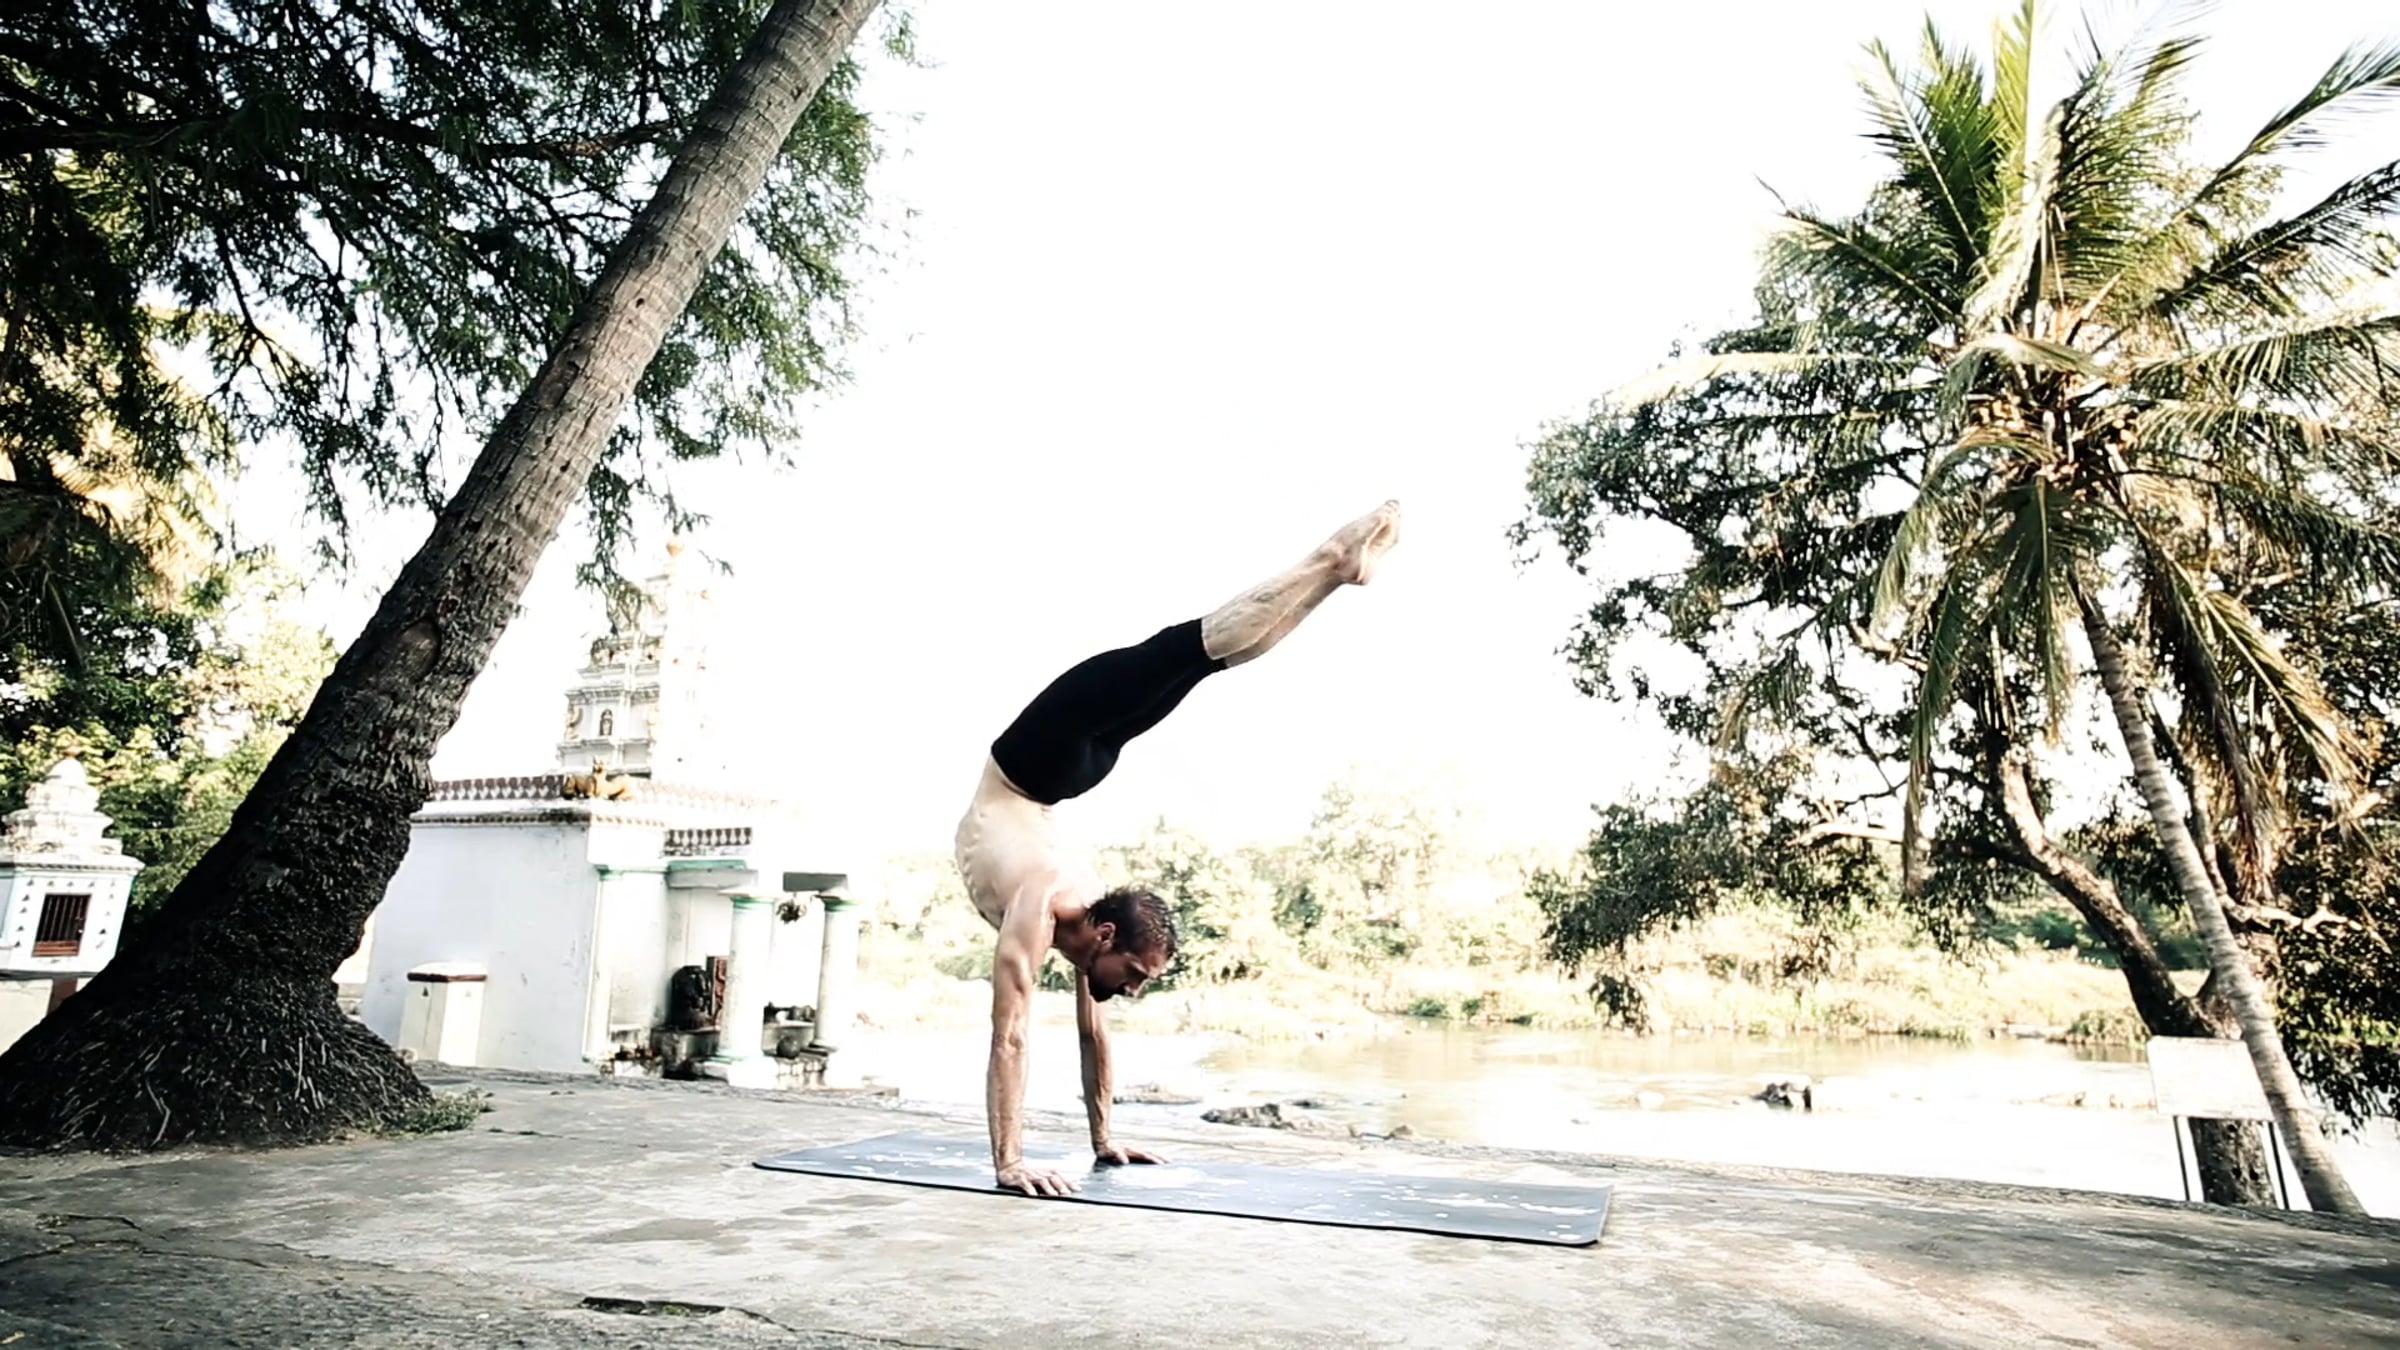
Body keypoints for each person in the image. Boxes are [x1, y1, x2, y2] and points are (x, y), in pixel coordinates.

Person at [953, 500, 1403, 1196]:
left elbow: (1092, 1039)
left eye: (1139, 978)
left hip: (1055, 771)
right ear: (1108, 935)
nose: (1134, 987)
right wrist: (1009, 1164)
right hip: (1032, 760)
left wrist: (1104, 1141)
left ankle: (1335, 572)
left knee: (1201, 661)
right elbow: (1009, 1034)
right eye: (1136, 973)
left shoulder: (1069, 917)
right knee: (1188, 653)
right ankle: (1329, 563)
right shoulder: (1045, 905)